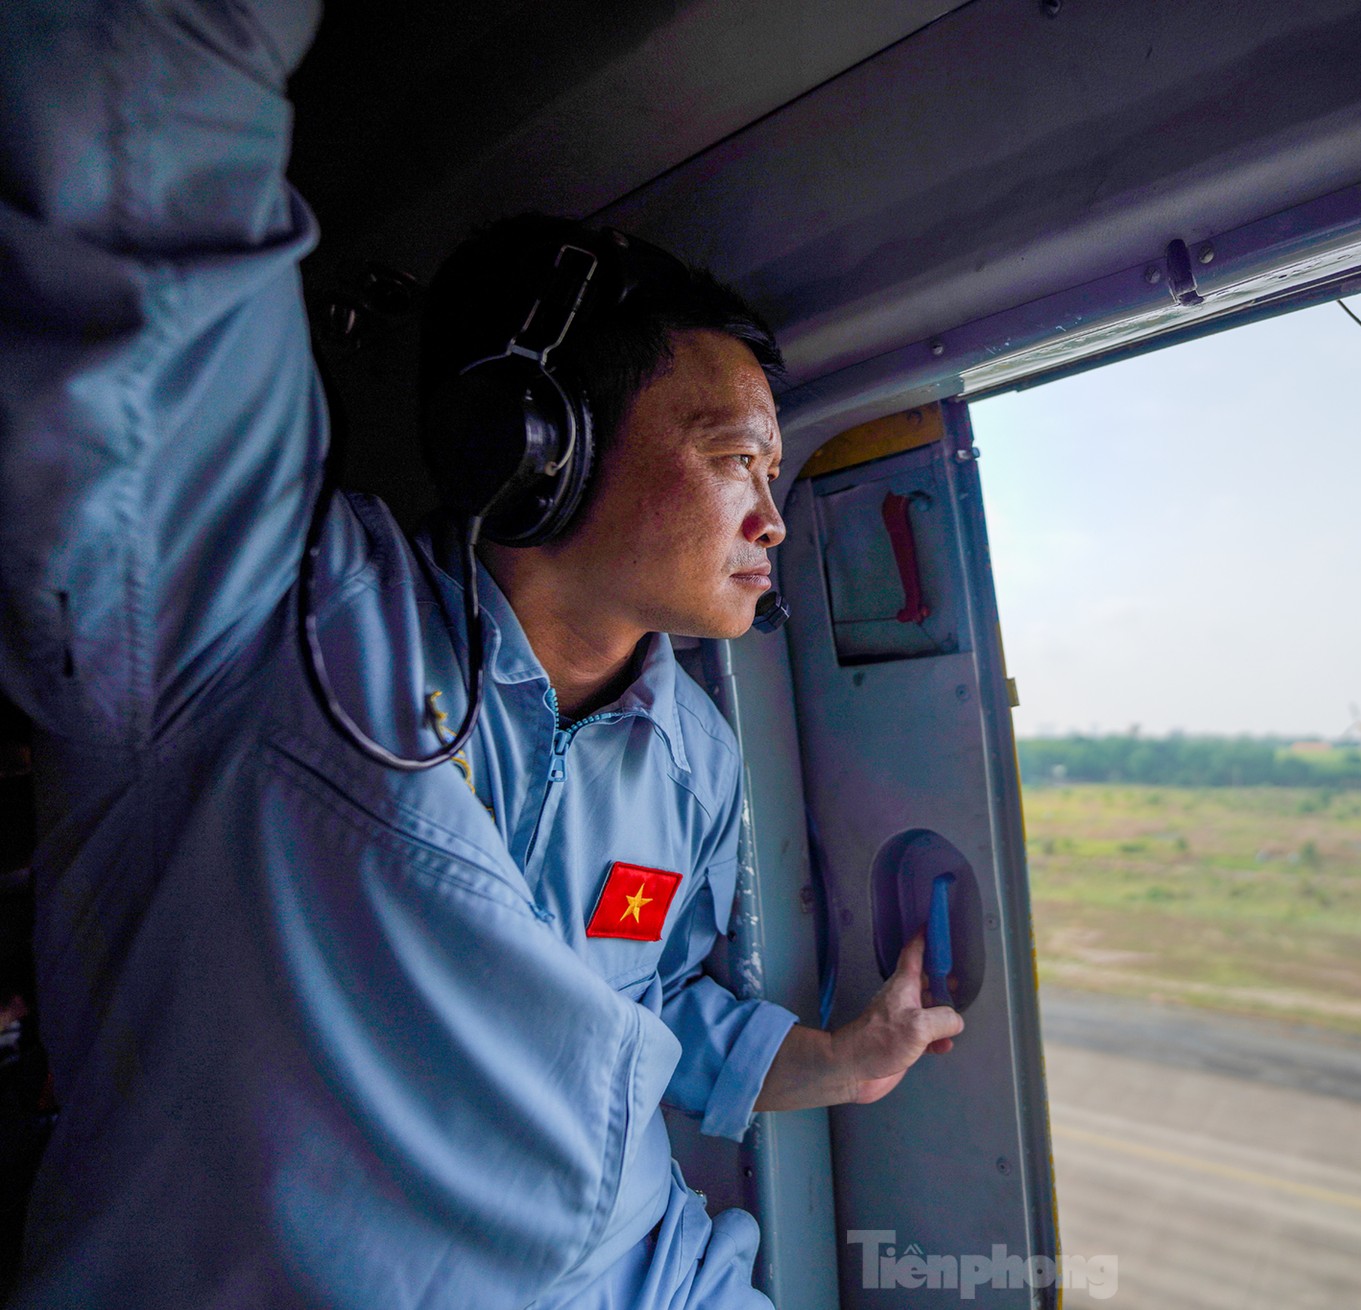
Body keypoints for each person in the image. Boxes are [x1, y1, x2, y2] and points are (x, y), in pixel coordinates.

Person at [0, 2, 961, 1306]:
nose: (773, 520)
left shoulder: (693, 761)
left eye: (778, 474)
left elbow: (652, 1000)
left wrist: (843, 1061)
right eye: (734, 457)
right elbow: (147, 139)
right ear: (536, 445)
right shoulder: (267, 615)